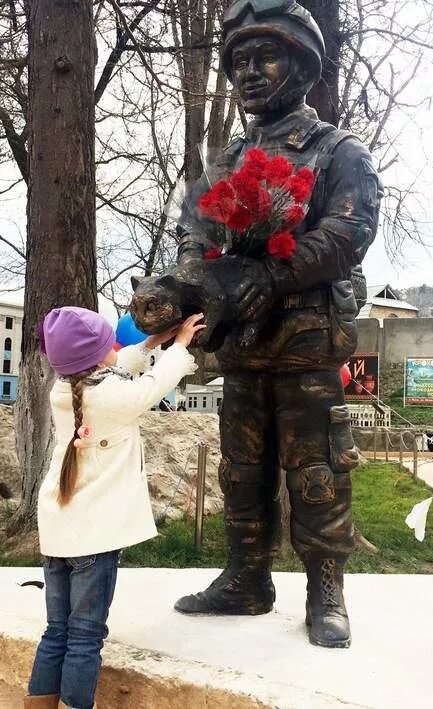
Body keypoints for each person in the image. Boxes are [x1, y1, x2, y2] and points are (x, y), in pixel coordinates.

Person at [167, 0, 382, 649]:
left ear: (302, 64)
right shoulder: (227, 159)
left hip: (305, 341)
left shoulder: (336, 149)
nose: (250, 74)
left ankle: (326, 587)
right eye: (238, 64)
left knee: (315, 466)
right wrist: (190, 283)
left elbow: (350, 230)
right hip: (243, 347)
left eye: (266, 58)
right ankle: (246, 577)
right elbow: (194, 229)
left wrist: (271, 275)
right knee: (242, 467)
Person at [24, 306, 204, 709]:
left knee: (57, 631)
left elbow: (115, 365)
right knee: (86, 636)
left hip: (58, 532)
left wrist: (150, 343)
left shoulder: (64, 389)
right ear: (97, 355)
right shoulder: (113, 398)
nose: (115, 347)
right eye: (109, 343)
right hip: (95, 536)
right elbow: (154, 384)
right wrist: (180, 345)